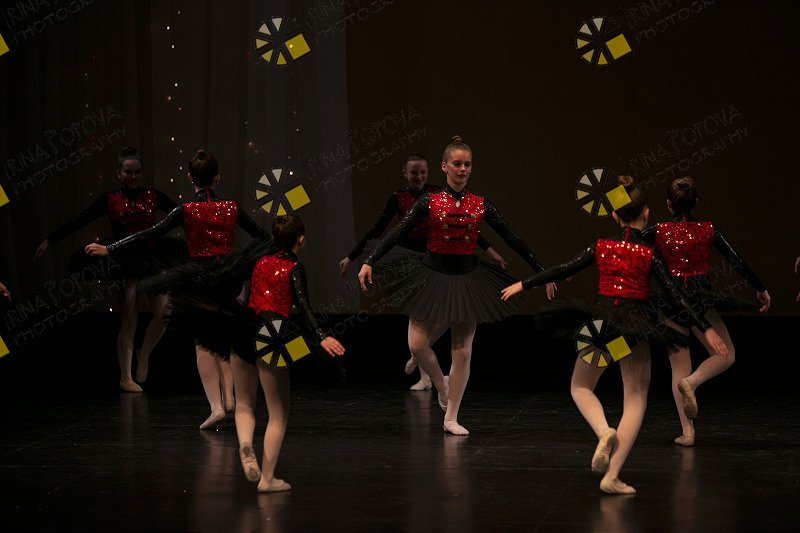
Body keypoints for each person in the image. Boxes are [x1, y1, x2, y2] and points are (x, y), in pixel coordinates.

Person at [501, 175, 729, 495]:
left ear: (613, 215)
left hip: (602, 326)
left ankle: (602, 431)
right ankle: (612, 476)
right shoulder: (649, 253)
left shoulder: (601, 246)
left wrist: (524, 284)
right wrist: (705, 327)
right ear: (646, 213)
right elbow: (678, 297)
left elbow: (564, 268)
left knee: (580, 386)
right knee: (635, 399)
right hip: (633, 330)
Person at [358, 135, 555, 436]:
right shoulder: (429, 201)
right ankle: (442, 385)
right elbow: (398, 231)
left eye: (467, 164)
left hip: (467, 279)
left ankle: (451, 417)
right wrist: (370, 260)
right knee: (416, 345)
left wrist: (542, 272)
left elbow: (512, 238)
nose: (462, 169)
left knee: (462, 352)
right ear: (444, 166)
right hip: (431, 276)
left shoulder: (481, 204)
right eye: (457, 164)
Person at [86, 150, 271, 429]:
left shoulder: (185, 210)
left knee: (203, 344)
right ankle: (231, 398)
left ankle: (217, 407)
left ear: (189, 178)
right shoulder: (232, 207)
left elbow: (147, 235)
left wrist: (110, 248)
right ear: (217, 178)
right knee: (227, 338)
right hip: (230, 279)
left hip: (201, 282)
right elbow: (263, 237)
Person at [339, 153, 507, 391]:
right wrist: (353, 256)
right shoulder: (399, 197)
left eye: (422, 172)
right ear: (405, 174)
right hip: (412, 262)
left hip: (437, 258)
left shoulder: (436, 195)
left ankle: (419, 358)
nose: (418, 177)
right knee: (420, 313)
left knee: (449, 312)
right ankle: (423, 369)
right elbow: (380, 229)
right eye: (413, 173)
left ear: (429, 173)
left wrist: (489, 249)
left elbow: (464, 227)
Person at [36, 147, 182, 392]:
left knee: (164, 312)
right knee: (129, 318)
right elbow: (81, 219)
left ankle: (143, 353)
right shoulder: (110, 199)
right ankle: (125, 377)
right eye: (128, 172)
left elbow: (182, 215)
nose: (133, 176)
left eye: (137, 172)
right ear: (119, 173)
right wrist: (50, 239)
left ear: (142, 172)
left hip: (151, 258)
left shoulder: (154, 195)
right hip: (123, 260)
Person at [644, 176, 770, 447]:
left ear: (668, 204)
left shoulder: (658, 230)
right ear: (696, 202)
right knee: (726, 355)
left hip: (670, 301)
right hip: (701, 300)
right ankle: (692, 382)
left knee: (679, 366)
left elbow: (629, 244)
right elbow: (735, 259)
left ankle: (688, 432)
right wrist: (759, 287)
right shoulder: (708, 229)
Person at [230, 214, 345, 492]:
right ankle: (267, 479)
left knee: (243, 403)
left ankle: (245, 444)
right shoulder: (294, 267)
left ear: (274, 237)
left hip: (243, 330)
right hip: (273, 334)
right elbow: (304, 306)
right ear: (300, 239)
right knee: (278, 412)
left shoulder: (259, 262)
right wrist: (322, 337)